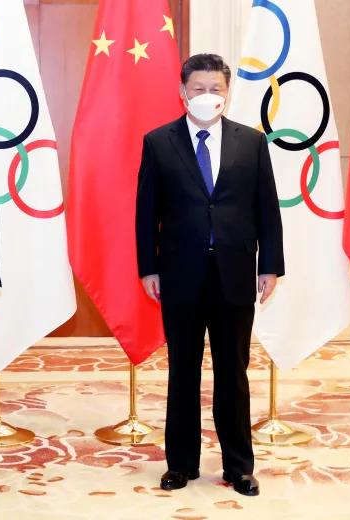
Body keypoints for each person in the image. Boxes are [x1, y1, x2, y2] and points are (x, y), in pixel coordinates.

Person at [135, 54, 284, 497]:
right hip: (179, 274)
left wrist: (270, 265)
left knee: (232, 374)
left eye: (215, 88)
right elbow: (146, 213)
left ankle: (239, 466)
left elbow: (267, 208)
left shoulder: (251, 142)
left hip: (236, 273)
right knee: (183, 372)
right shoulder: (159, 141)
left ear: (227, 92)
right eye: (197, 88)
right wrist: (149, 267)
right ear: (182, 92)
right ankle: (180, 464)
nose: (206, 96)